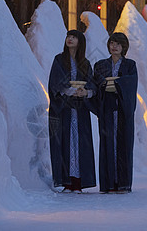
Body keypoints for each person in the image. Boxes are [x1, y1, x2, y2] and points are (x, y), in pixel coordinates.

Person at [48, 29, 97, 193]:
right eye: (68, 36)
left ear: (80, 41)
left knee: (79, 143)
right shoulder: (59, 60)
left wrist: (86, 92)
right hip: (64, 109)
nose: (69, 39)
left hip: (80, 110)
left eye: (74, 37)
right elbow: (55, 82)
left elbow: (91, 84)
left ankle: (79, 182)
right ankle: (67, 181)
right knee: (64, 142)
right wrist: (68, 90)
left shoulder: (85, 63)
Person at [93, 32, 137, 194]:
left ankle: (123, 183)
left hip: (122, 110)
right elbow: (96, 82)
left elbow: (131, 84)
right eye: (112, 43)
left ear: (124, 47)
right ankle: (109, 183)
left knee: (124, 145)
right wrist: (103, 84)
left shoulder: (130, 65)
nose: (114, 46)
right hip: (107, 109)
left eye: (118, 44)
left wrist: (117, 83)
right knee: (107, 144)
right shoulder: (101, 65)